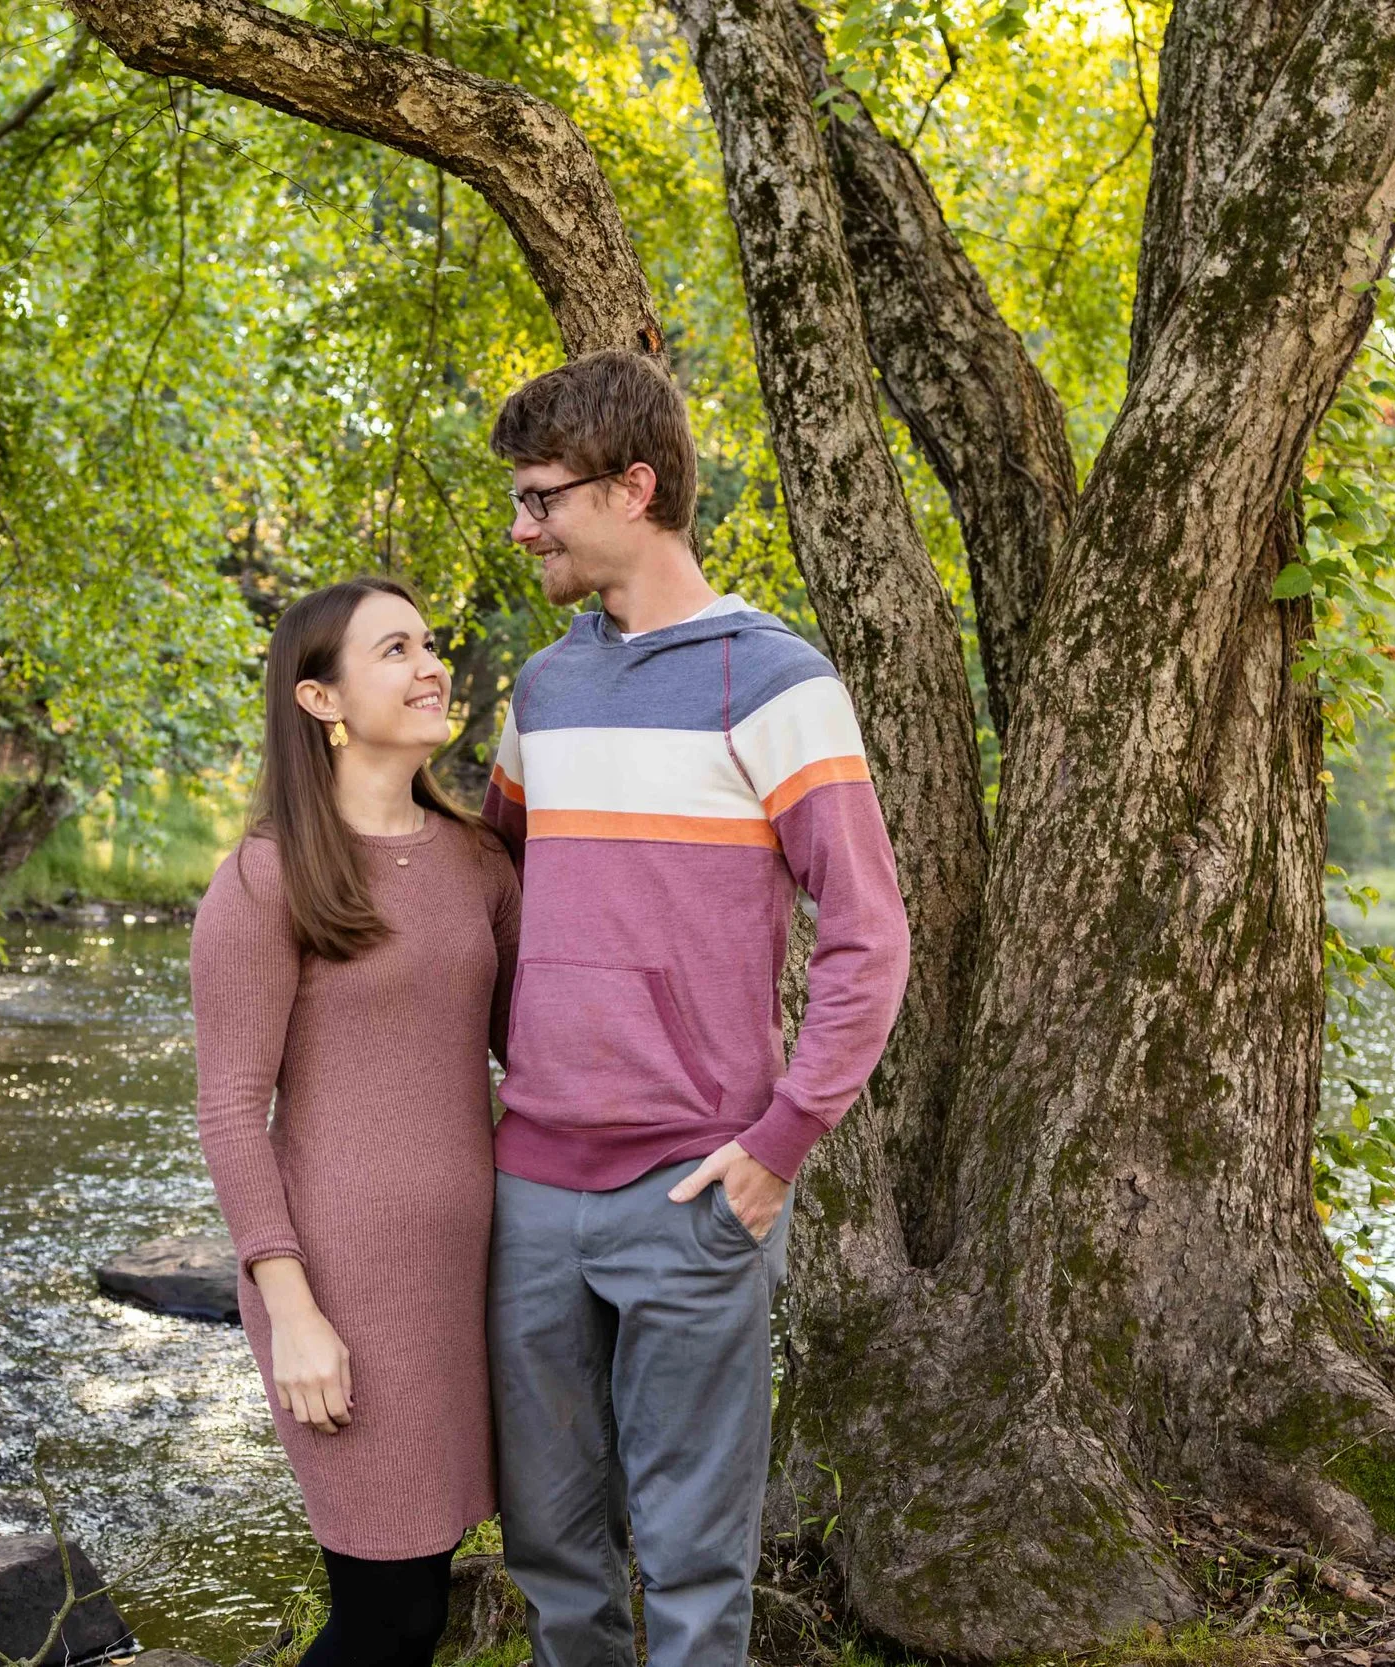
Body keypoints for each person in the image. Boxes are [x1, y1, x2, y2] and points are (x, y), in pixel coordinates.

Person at [480, 351, 912, 1667]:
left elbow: (870, 935)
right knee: (552, 1551)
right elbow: (490, 889)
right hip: (534, 1188)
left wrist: (777, 1147)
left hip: (694, 1189)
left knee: (690, 1563)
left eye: (542, 498)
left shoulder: (775, 684)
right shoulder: (542, 691)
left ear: (636, 486)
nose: (521, 525)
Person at [189, 577, 521, 1667]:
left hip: (477, 1279)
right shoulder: (266, 877)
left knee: (427, 1597)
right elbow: (232, 1109)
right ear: (321, 699)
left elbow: (538, 1045)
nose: (429, 666)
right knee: (390, 1616)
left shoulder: (478, 862)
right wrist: (292, 1309)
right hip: (342, 1291)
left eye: (427, 644)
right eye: (394, 650)